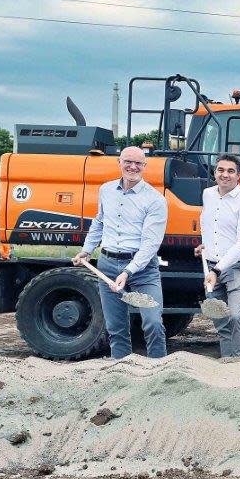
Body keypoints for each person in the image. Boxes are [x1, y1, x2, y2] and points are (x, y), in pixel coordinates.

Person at [72, 145, 168, 359]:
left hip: (142, 269)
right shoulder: (106, 190)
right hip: (107, 264)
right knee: (116, 327)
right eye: (128, 162)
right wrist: (87, 250)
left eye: (138, 163)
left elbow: (151, 244)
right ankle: (121, 374)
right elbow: (99, 222)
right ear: (119, 163)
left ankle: (160, 374)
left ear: (145, 166)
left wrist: (128, 272)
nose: (132, 167)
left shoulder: (155, 200)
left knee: (152, 323)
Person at [196, 154, 240, 359]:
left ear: (239, 175)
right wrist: (204, 244)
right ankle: (227, 361)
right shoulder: (208, 194)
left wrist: (217, 270)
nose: (225, 175)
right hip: (211, 264)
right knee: (220, 318)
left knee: (237, 317)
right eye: (221, 170)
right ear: (215, 172)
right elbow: (209, 222)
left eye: (231, 171)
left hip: (237, 268)